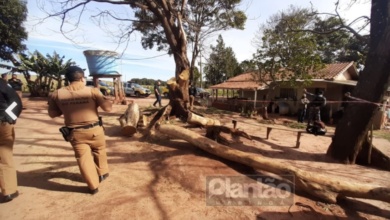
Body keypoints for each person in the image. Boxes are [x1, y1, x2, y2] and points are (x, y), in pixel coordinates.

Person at [48, 66, 112, 195]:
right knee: (99, 150)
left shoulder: (56, 94)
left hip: (75, 133)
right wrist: (108, 100)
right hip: (94, 129)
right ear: (82, 78)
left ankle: (93, 186)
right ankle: (102, 173)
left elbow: (53, 114)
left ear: (68, 79)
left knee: (83, 158)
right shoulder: (93, 91)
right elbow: (107, 108)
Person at [0, 78, 23, 203]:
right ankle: (8, 190)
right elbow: (16, 102)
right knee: (5, 156)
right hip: (2, 124)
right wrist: (10, 117)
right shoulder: (2, 84)